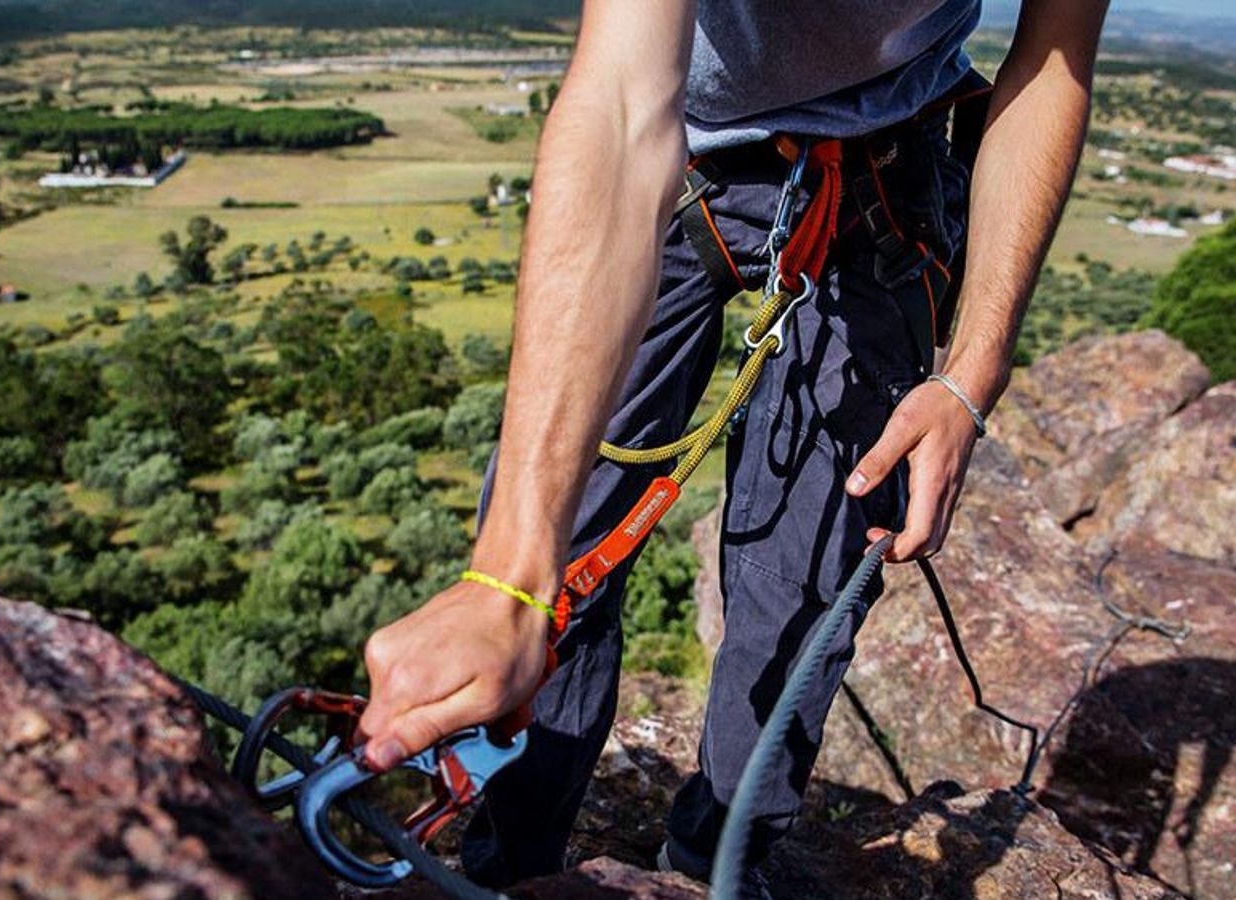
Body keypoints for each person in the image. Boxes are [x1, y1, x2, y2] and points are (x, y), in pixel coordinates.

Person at [356, 0, 1109, 894]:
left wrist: (970, 377)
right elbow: (627, 100)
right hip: (686, 150)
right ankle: (511, 869)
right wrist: (510, 573)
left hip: (886, 161)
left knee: (809, 578)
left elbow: (1053, 61)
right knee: (560, 550)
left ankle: (713, 862)